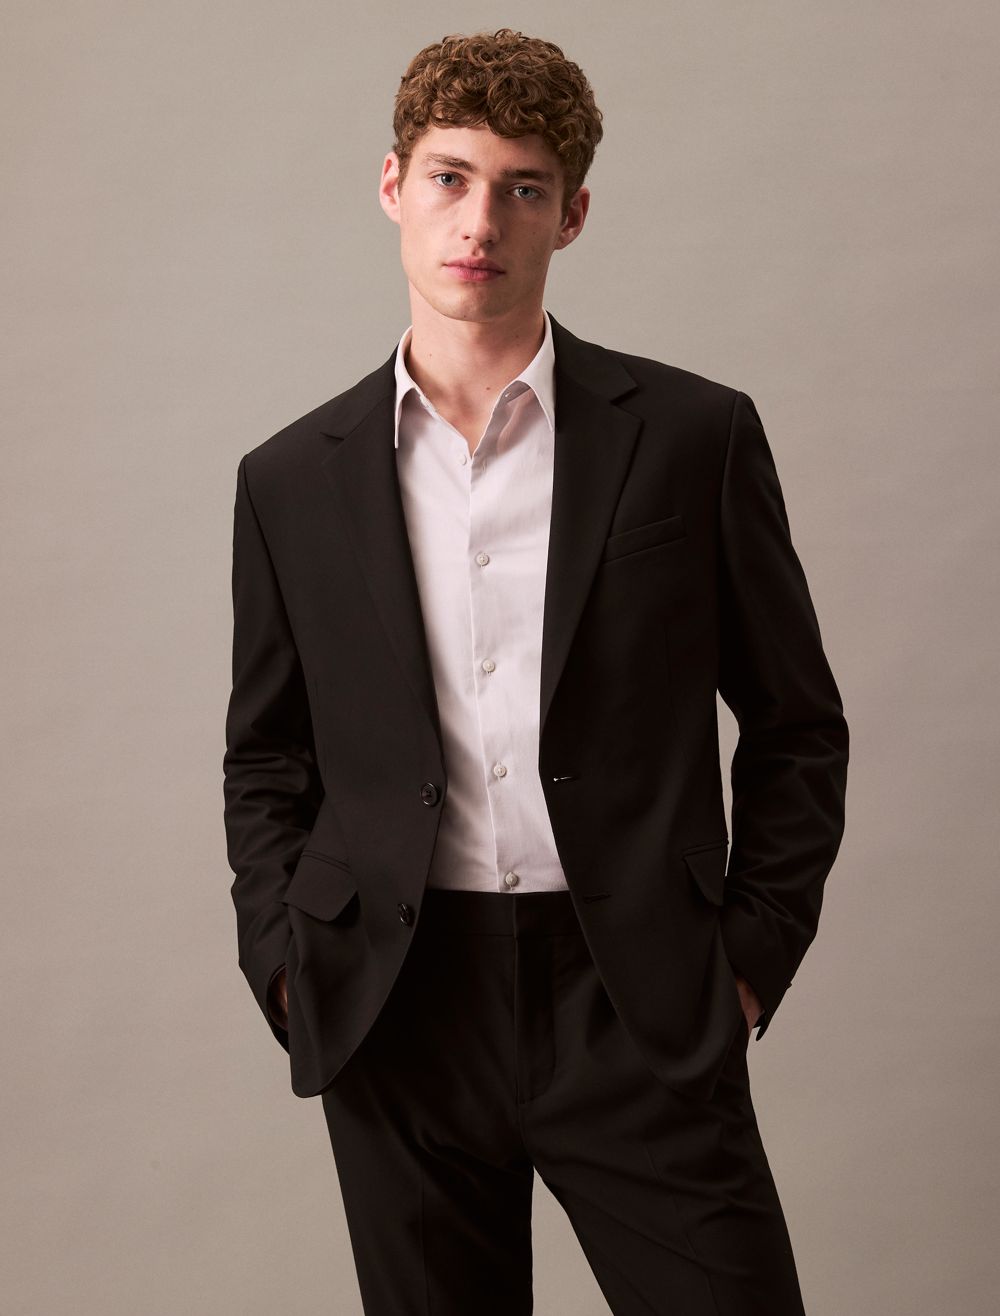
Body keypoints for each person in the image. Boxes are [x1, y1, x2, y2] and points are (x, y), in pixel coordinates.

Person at [223, 27, 849, 1315]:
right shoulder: (289, 479)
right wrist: (288, 960)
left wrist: (748, 956)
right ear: (393, 185)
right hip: (397, 1000)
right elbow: (267, 753)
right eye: (450, 178)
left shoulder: (691, 437)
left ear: (572, 215)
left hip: (637, 992)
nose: (481, 222)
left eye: (523, 188)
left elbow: (797, 722)